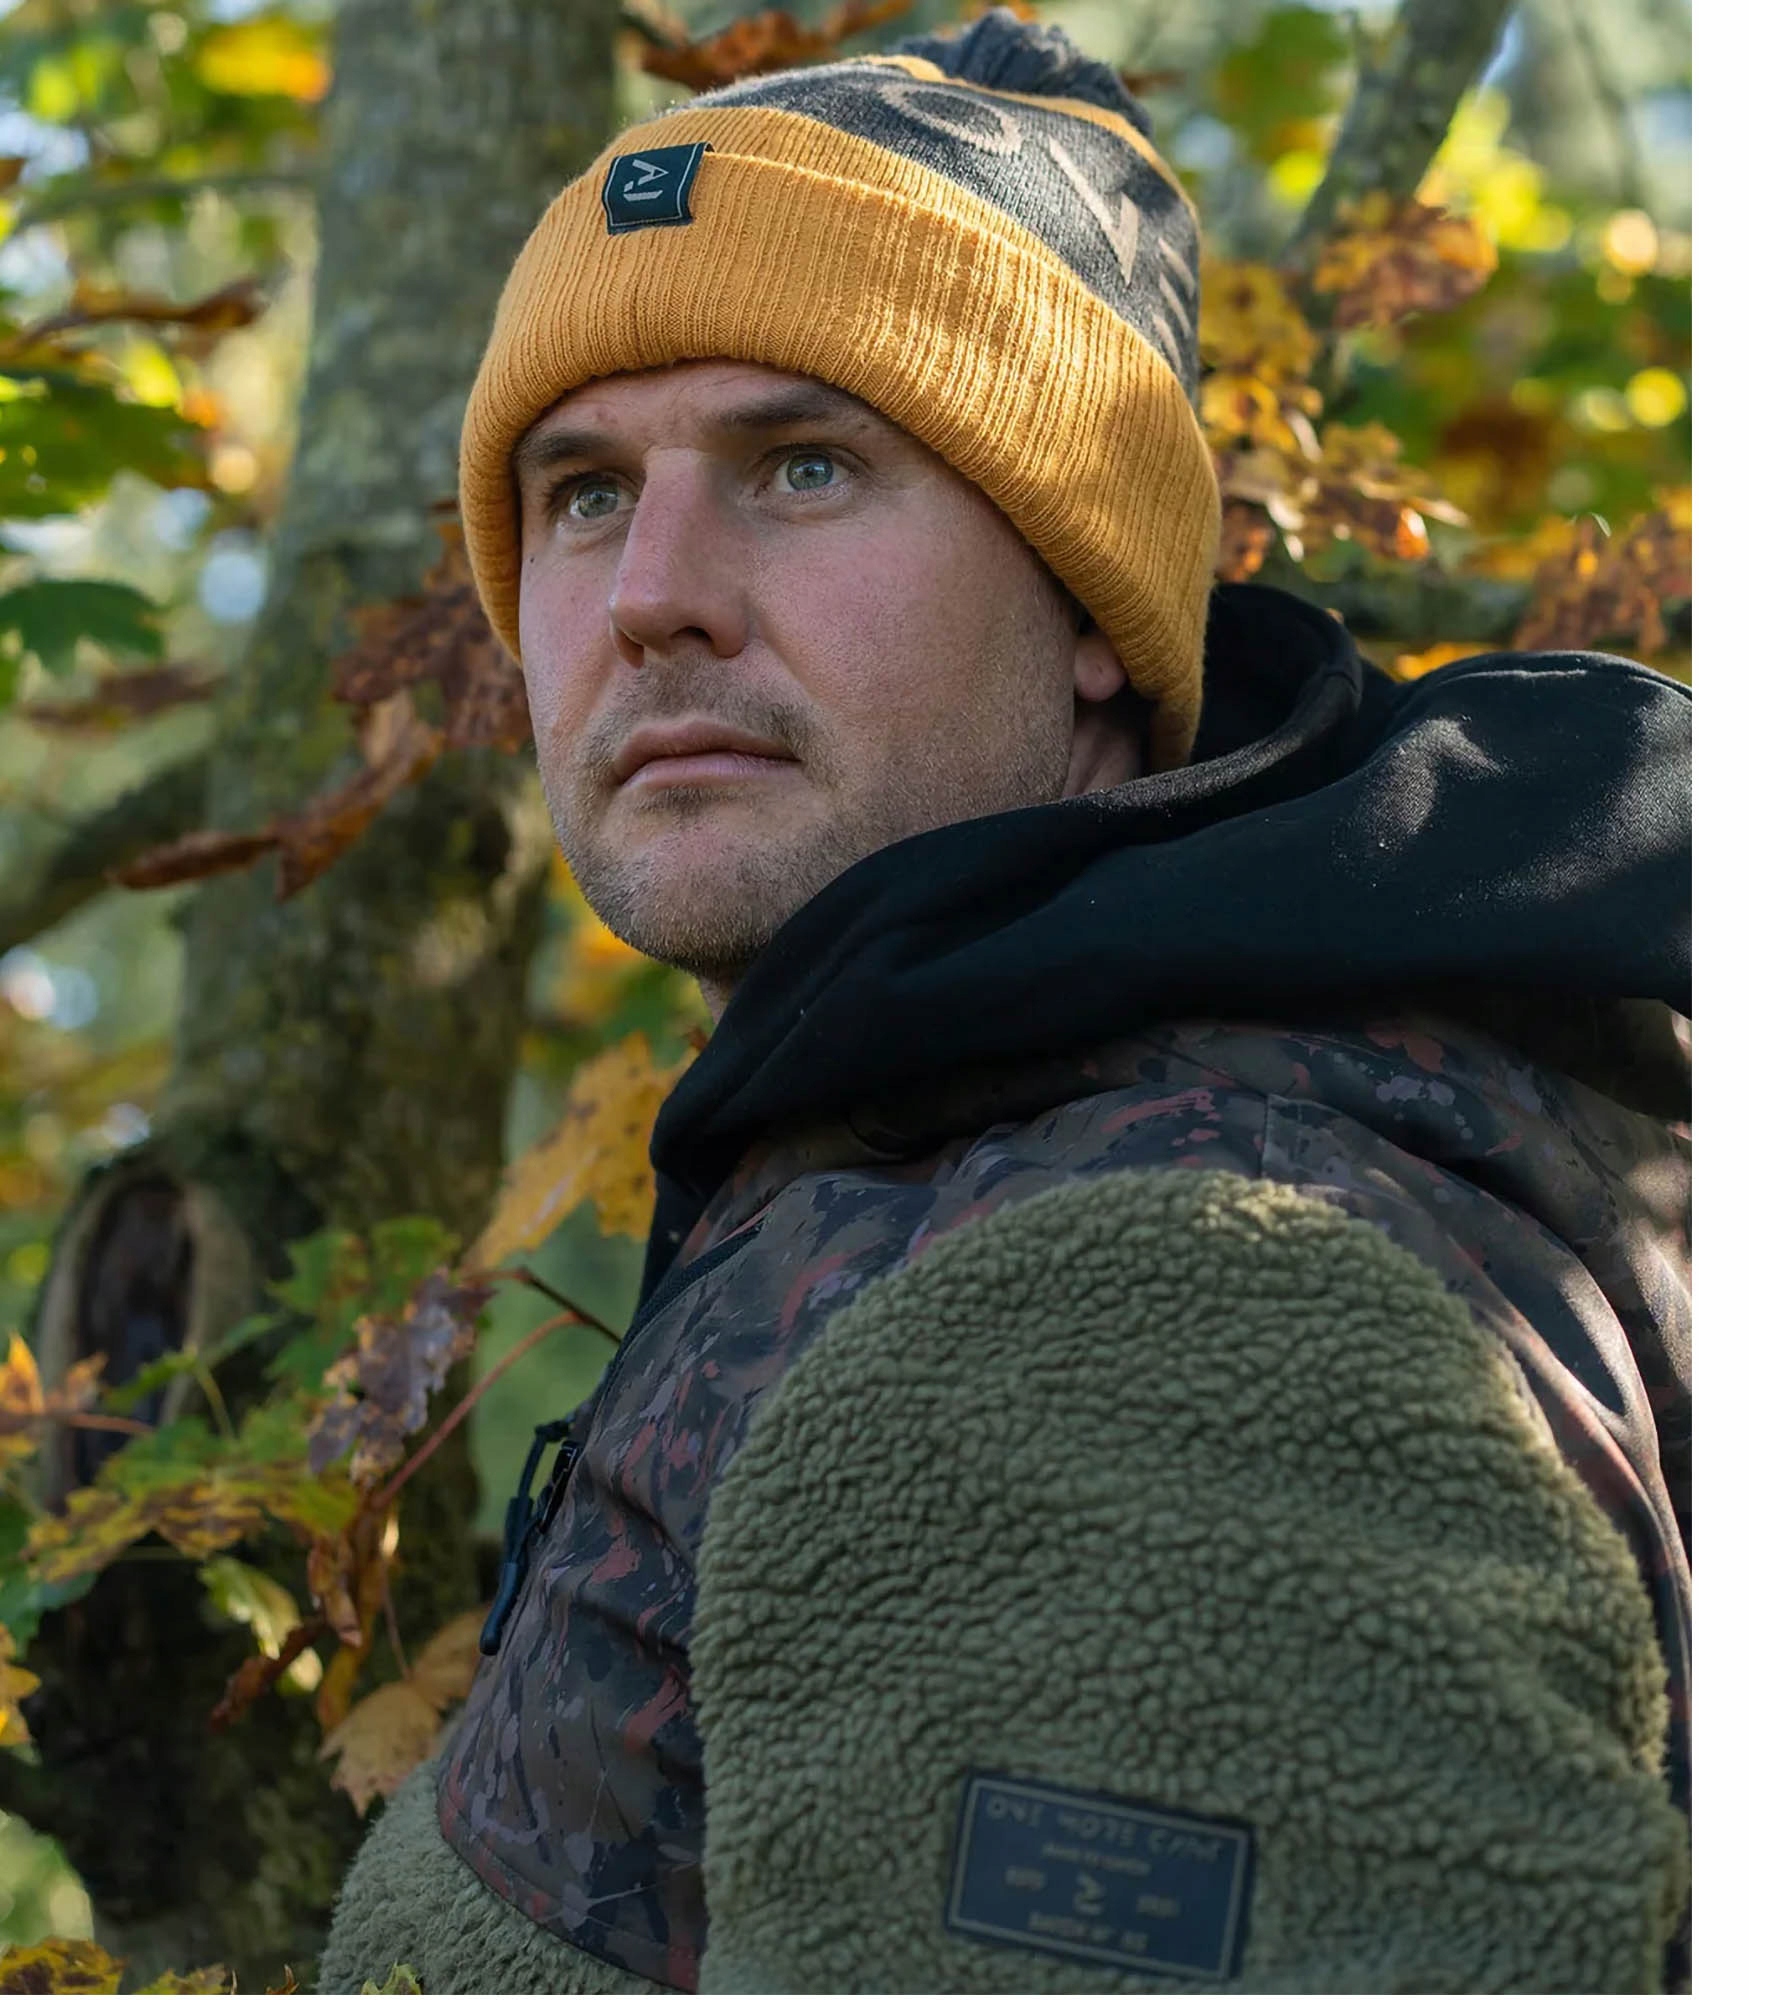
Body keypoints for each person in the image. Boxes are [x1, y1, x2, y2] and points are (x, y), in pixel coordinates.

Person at [319, 11, 1691, 1993]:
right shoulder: (941, 1157)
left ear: (1090, 607)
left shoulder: (1161, 1304)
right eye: (586, 490)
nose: (648, 592)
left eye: (803, 465)